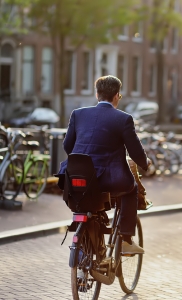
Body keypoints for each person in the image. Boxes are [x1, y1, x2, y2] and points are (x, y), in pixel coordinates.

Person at [57, 75, 150, 255]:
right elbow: (135, 152)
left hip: (76, 176)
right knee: (131, 189)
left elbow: (68, 146)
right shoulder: (123, 119)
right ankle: (125, 239)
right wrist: (146, 164)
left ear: (97, 94)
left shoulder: (78, 114)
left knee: (87, 194)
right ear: (116, 96)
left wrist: (83, 163)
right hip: (108, 179)